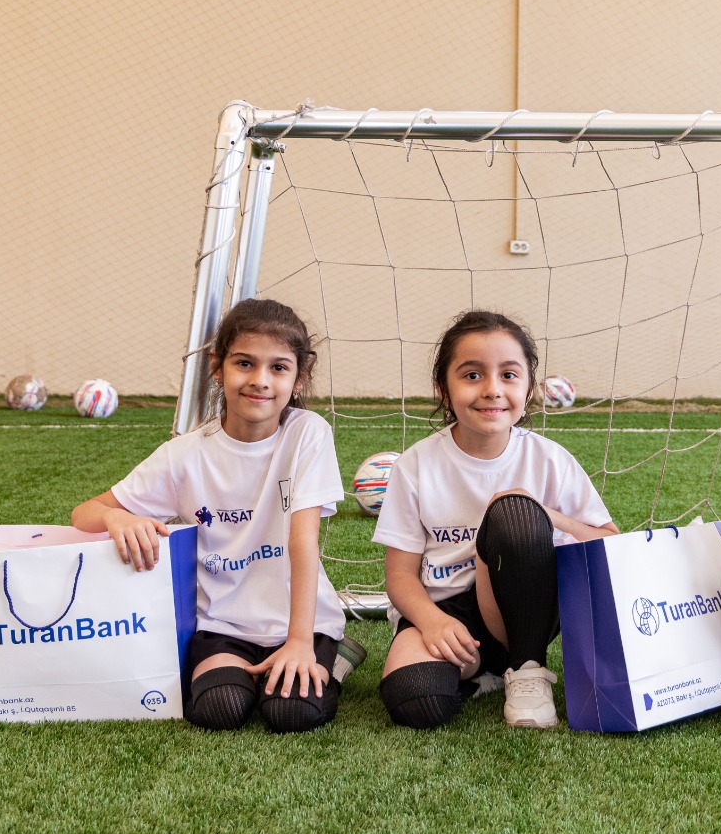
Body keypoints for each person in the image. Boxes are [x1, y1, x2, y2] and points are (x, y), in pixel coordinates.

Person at [72, 299, 356, 733]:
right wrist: (117, 520)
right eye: (244, 363)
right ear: (217, 366)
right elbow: (84, 513)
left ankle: (336, 656)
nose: (260, 380)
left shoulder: (307, 434)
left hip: (302, 623)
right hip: (223, 624)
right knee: (218, 708)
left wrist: (299, 641)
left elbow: (303, 541)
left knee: (293, 712)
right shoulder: (184, 454)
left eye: (279, 367)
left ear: (300, 376)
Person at [373, 310, 618, 729]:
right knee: (416, 700)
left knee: (513, 512)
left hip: (525, 607)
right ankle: (481, 675)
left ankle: (526, 667)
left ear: (529, 388)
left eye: (508, 375)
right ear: (443, 389)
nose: (492, 390)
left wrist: (542, 514)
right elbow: (399, 576)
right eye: (472, 375)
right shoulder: (416, 465)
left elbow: (610, 543)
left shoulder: (549, 459)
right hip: (446, 610)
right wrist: (432, 622)